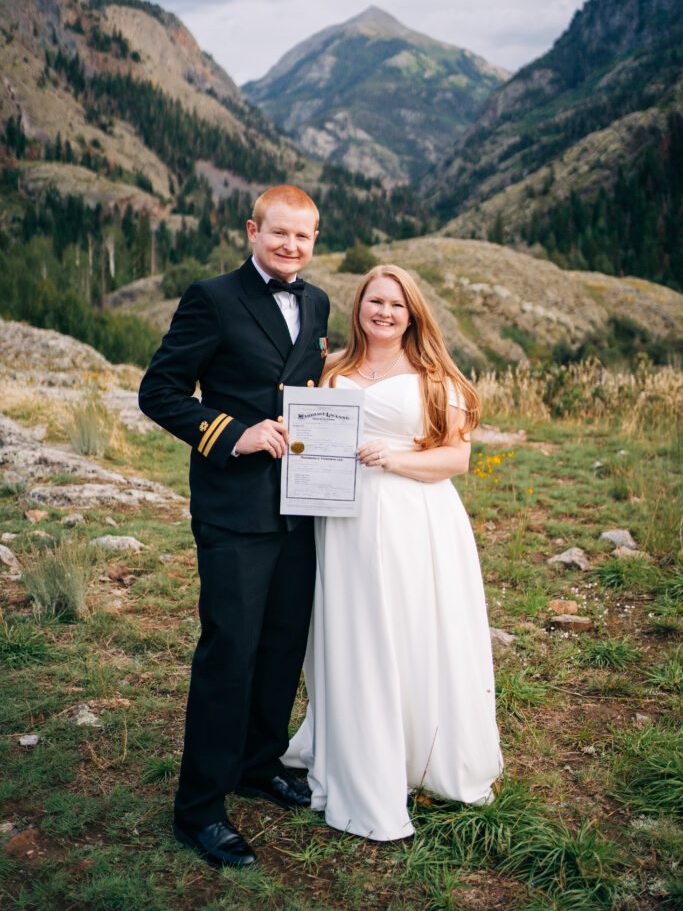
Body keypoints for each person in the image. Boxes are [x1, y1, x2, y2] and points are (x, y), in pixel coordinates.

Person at [138, 185, 330, 868]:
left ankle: (259, 763)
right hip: (233, 508)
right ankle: (200, 808)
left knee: (282, 647)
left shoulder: (317, 302)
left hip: (302, 506)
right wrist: (232, 435)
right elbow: (158, 391)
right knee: (230, 654)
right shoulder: (212, 298)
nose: (290, 246)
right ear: (253, 230)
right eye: (278, 233)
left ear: (314, 241)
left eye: (303, 237)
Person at [284, 264, 503, 841]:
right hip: (344, 525)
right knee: (354, 634)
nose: (384, 312)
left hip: (414, 520)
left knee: (409, 631)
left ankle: (417, 753)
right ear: (358, 308)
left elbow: (455, 459)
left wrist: (394, 458)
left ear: (413, 315)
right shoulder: (332, 372)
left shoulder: (434, 376)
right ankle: (358, 750)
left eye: (396, 305)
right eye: (374, 301)